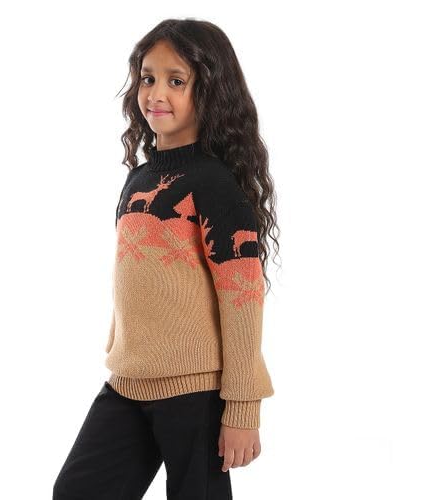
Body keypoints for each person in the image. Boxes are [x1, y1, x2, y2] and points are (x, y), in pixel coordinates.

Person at [53, 17, 280, 500]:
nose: (156, 93)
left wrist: (243, 407)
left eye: (176, 81)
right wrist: (121, 348)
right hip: (129, 383)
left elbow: (242, 300)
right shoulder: (139, 178)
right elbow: (135, 277)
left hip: (195, 392)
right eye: (148, 77)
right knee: (77, 491)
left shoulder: (214, 185)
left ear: (210, 90)